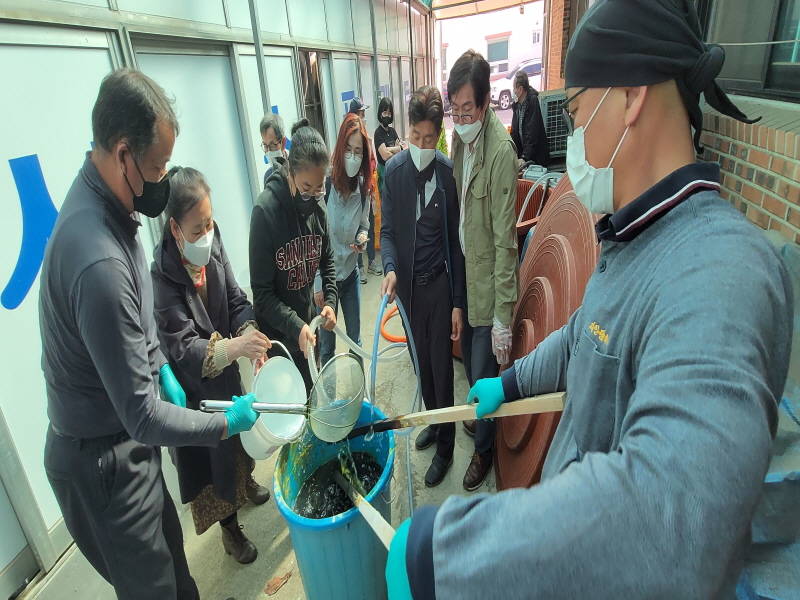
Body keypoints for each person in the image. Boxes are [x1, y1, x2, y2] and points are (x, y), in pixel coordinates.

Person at [385, 1, 793, 598]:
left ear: (630, 98)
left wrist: (446, 554)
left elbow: (669, 521)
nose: (573, 142)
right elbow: (587, 335)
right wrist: (512, 381)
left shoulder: (722, 272)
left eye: (576, 114)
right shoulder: (634, 237)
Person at [39, 69, 258, 600]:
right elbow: (142, 413)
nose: (163, 179)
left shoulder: (116, 212)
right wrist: (224, 423)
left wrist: (159, 364)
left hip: (129, 436)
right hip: (102, 457)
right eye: (158, 167)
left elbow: (141, 324)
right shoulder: (97, 262)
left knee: (174, 564)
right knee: (152, 586)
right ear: (123, 155)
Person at [151, 167, 273, 565]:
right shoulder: (162, 280)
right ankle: (230, 530)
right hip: (197, 392)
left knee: (239, 442)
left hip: (226, 377)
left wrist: (249, 334)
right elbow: (185, 348)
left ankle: (246, 483)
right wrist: (236, 346)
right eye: (197, 228)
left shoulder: (213, 240)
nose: (207, 233)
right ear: (174, 228)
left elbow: (235, 298)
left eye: (209, 222)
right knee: (213, 463)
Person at [380, 86, 466, 487]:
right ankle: (433, 421)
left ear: (439, 136)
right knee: (421, 366)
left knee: (442, 369)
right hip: (409, 292)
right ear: (408, 130)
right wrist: (390, 268)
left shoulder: (447, 175)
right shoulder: (394, 173)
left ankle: (447, 447)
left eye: (429, 139)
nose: (421, 145)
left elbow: (457, 245)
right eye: (415, 136)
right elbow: (387, 232)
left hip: (439, 287)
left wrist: (457, 302)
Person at [448, 50, 519, 491]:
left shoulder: (500, 154)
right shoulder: (460, 140)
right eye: (454, 110)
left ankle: (484, 451)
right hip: (467, 277)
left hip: (490, 288)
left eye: (467, 110)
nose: (460, 119)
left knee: (483, 375)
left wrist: (502, 318)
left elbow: (505, 243)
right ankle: (481, 424)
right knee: (473, 374)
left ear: (487, 101)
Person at [249, 118, 338, 391]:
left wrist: (330, 301)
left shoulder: (318, 209)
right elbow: (262, 294)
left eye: (319, 188)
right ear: (291, 172)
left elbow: (328, 260)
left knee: (312, 400)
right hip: (278, 342)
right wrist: (295, 325)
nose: (312, 195)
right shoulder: (265, 213)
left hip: (308, 333)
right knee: (289, 406)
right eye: (305, 187)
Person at [314, 114, 375, 366]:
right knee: (326, 346)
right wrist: (317, 283)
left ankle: (359, 389)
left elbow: (364, 225)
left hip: (350, 276)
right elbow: (313, 237)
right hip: (326, 281)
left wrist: (362, 238)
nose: (352, 156)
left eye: (358, 151)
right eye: (348, 149)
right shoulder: (324, 184)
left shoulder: (364, 189)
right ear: (340, 148)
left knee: (355, 341)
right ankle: (327, 392)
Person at [371, 97, 405, 277]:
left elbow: (403, 147)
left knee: (399, 207)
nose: (387, 114)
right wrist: (396, 149)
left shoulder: (392, 131)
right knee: (387, 210)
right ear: (380, 113)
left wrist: (393, 149)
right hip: (385, 174)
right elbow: (384, 156)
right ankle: (389, 247)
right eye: (384, 111)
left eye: (389, 112)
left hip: (397, 172)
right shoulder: (378, 133)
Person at [510, 70, 550, 169]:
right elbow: (514, 132)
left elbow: (532, 133)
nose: (513, 91)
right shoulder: (516, 105)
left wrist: (524, 157)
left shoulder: (532, 101)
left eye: (514, 88)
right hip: (525, 155)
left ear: (520, 89)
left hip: (536, 157)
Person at [260, 112, 287, 189]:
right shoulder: (268, 176)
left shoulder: (297, 170)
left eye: (272, 145)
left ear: (283, 142)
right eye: (265, 145)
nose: (269, 151)